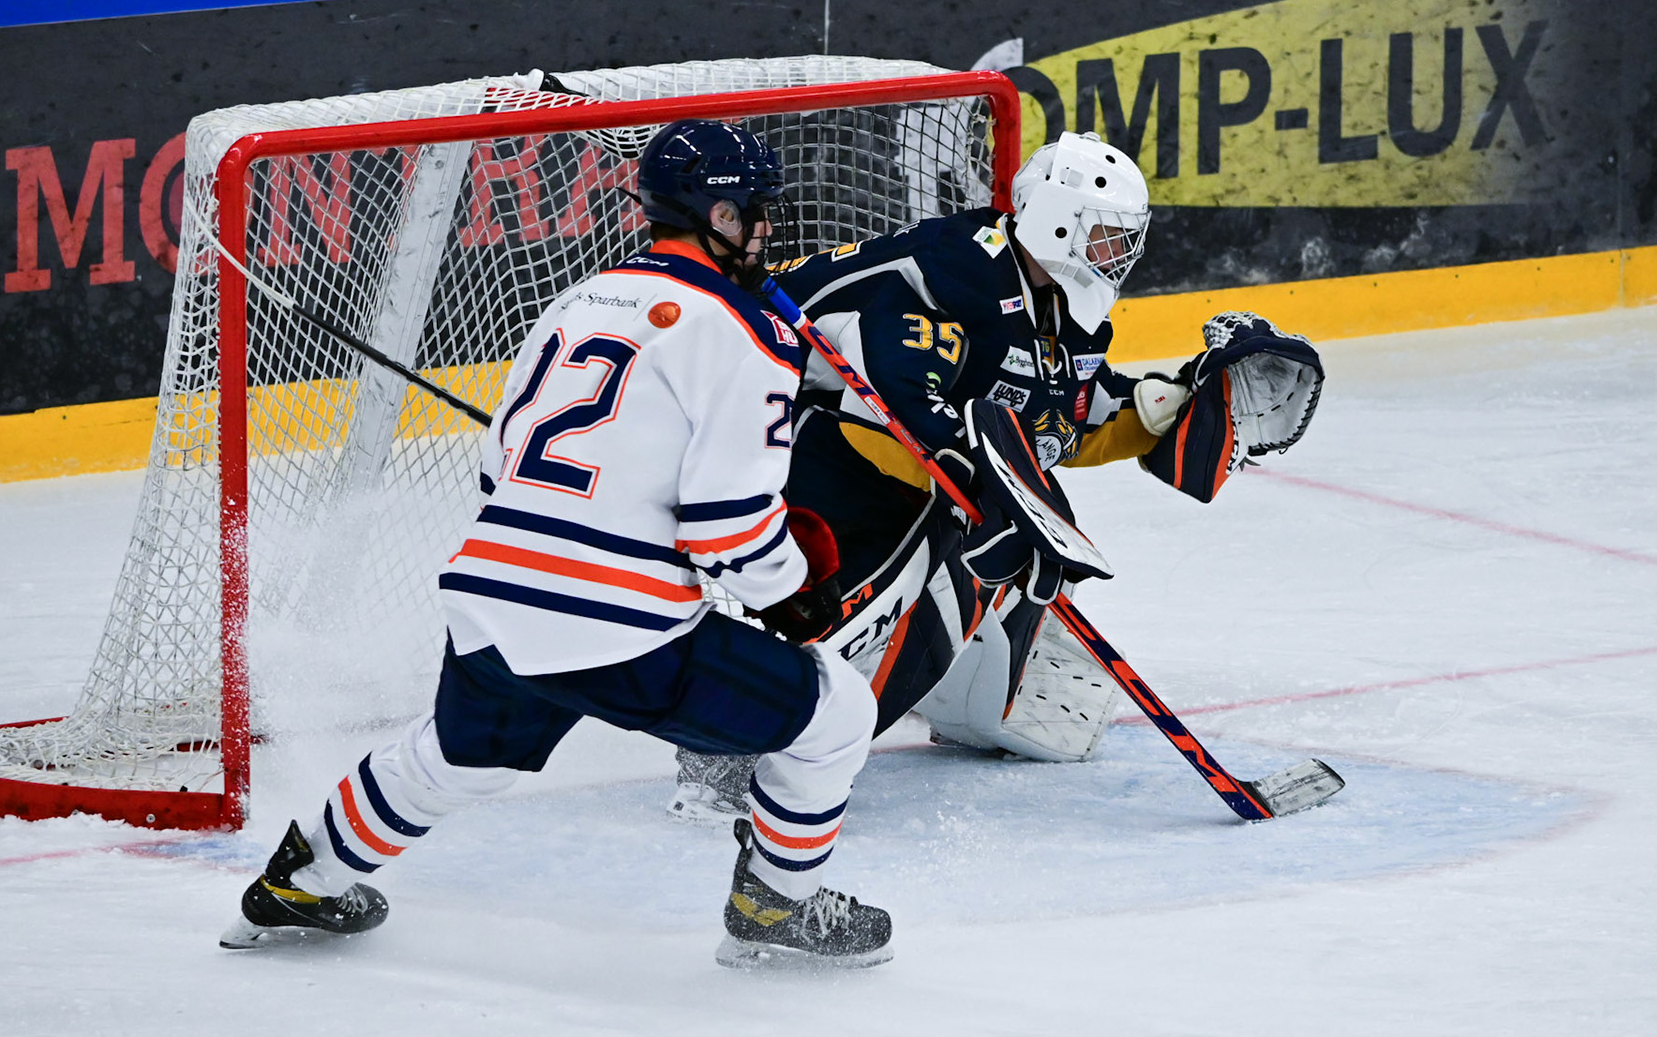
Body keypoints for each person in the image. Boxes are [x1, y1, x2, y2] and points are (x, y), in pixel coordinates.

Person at [221, 120, 894, 970]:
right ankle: (776, 904)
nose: (764, 227)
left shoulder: (582, 299)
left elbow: (497, 465)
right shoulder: (745, 328)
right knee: (836, 713)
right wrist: (793, 589)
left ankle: (300, 882)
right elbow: (728, 522)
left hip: (491, 592)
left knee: (459, 756)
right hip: (620, 624)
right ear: (711, 213)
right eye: (750, 210)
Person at [669, 129, 1322, 819]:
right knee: (939, 550)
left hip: (863, 449)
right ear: (1060, 222)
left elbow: (1057, 422)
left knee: (1012, 580)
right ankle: (728, 749)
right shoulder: (955, 269)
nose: (1120, 256)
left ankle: (944, 703)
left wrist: (1164, 405)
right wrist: (984, 479)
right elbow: (897, 398)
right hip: (768, 432)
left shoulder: (1059, 308)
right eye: (1107, 237)